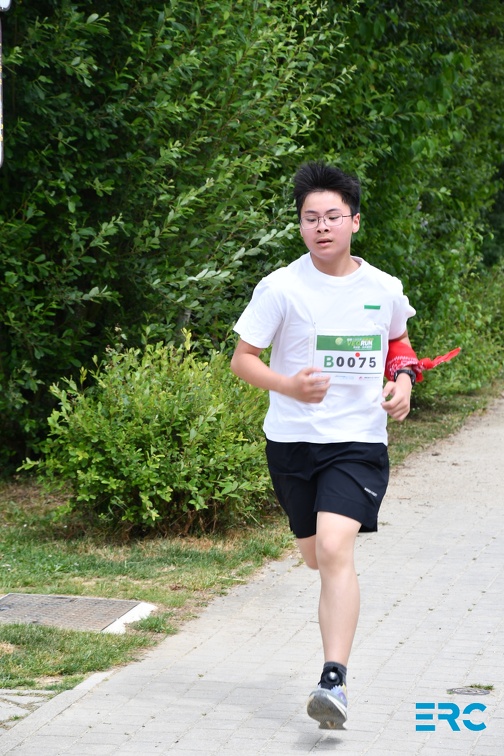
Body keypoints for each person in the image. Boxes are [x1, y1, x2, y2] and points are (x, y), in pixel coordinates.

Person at [230, 161, 417, 730]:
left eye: (333, 216)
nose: (322, 227)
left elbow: (400, 343)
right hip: (292, 443)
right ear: (301, 226)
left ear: (354, 221)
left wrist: (404, 382)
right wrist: (289, 385)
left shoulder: (383, 288)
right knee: (314, 554)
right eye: (311, 218)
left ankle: (333, 680)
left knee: (335, 549)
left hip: (358, 441)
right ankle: (332, 657)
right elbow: (243, 360)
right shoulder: (280, 287)